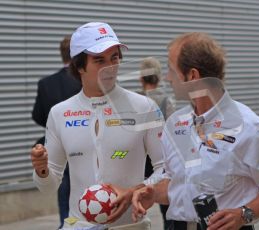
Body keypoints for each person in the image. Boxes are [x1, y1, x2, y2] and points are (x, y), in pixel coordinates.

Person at [132, 32, 259, 230]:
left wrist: (244, 214)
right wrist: (152, 193)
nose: (168, 78)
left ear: (192, 75)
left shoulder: (249, 127)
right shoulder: (177, 123)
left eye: (171, 69)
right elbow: (176, 181)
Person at [30, 22, 164, 230]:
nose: (110, 67)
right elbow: (48, 187)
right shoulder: (60, 113)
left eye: (114, 58)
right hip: (77, 225)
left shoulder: (144, 107)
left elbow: (167, 169)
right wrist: (42, 171)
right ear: (79, 66)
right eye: (99, 60)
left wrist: (139, 190)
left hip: (131, 226)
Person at [31, 36, 82, 229]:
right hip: (82, 142)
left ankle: (65, 223)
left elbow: (37, 115)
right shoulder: (83, 82)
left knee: (62, 187)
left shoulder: (46, 83)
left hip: (55, 143)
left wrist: (53, 126)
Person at [139, 57, 174, 230]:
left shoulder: (134, 102)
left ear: (141, 78)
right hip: (162, 159)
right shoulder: (167, 101)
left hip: (140, 161)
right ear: (159, 77)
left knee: (138, 202)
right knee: (166, 206)